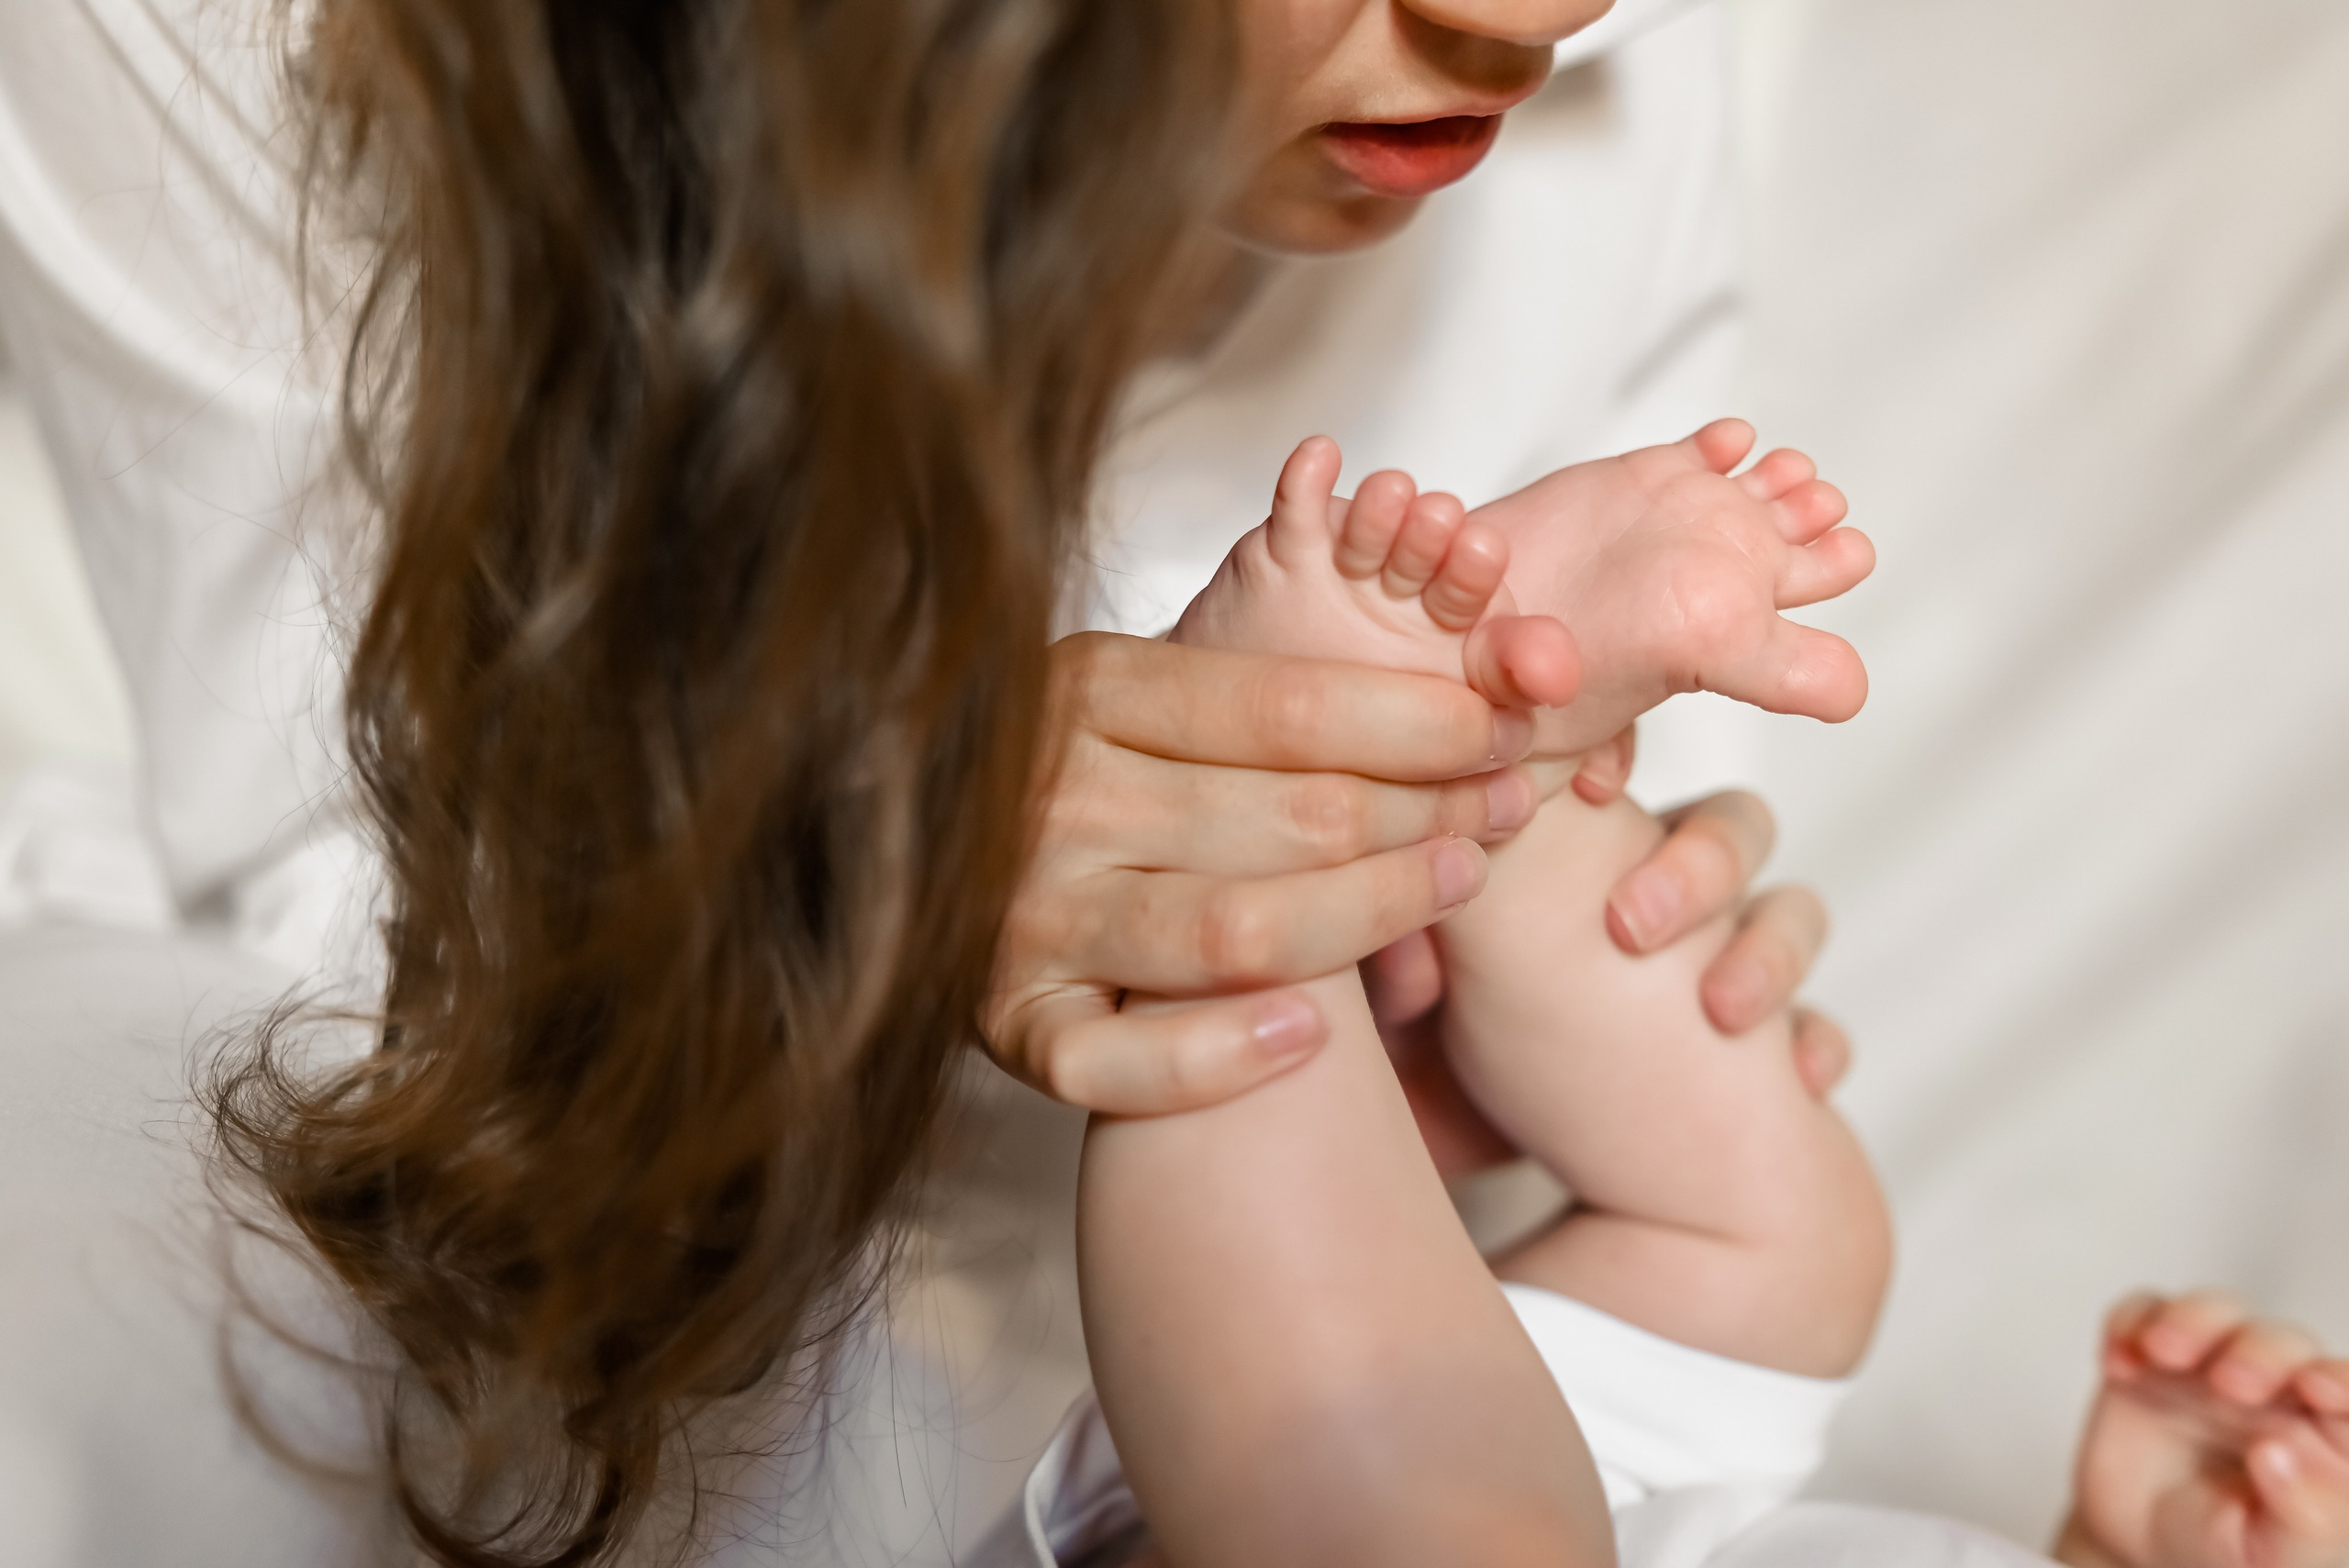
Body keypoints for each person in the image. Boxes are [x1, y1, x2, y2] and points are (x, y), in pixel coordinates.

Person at [0, 0, 1843, 1564]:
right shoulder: (225, 54)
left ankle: (1357, 774)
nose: (1547, 18)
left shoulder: (1616, 74)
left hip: (1421, 1242)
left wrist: (1582, 872)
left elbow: (1615, 844)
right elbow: (330, 882)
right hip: (700, 1176)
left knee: (1785, 1239)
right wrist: (877, 855)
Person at [1023, 430, 2349, 1568]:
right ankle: (1463, 777)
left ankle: (1273, 833)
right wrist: (2132, 1540)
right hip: (1653, 1512)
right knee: (1798, 1246)